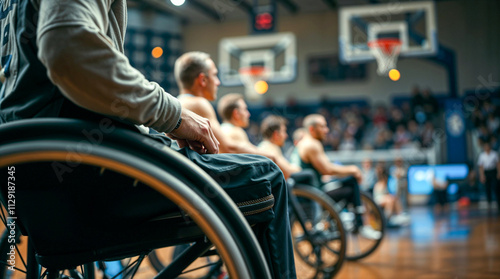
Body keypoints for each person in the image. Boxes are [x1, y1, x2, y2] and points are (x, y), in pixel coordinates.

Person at [0, 2, 295, 278]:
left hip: (25, 181)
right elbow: (69, 50)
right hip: (81, 175)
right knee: (267, 176)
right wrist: (175, 116)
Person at [290, 114, 381, 239]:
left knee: (348, 182)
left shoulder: (304, 143)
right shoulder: (311, 145)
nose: (326, 130)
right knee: (352, 181)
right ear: (312, 129)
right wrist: (353, 169)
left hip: (311, 191)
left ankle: (347, 218)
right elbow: (327, 169)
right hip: (315, 195)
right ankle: (360, 224)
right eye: (322, 126)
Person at [174, 52, 276, 161]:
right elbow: (227, 148)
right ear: (202, 80)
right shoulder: (198, 103)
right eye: (214, 75)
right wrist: (271, 157)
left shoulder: (179, 102)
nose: (218, 82)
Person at [477, 140, 500, 210]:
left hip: (493, 171)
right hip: (486, 172)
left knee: (496, 187)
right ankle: (489, 202)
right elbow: (481, 166)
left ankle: (498, 202)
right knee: (487, 188)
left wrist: (499, 172)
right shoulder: (482, 155)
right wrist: (482, 175)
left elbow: (498, 164)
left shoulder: (494, 154)